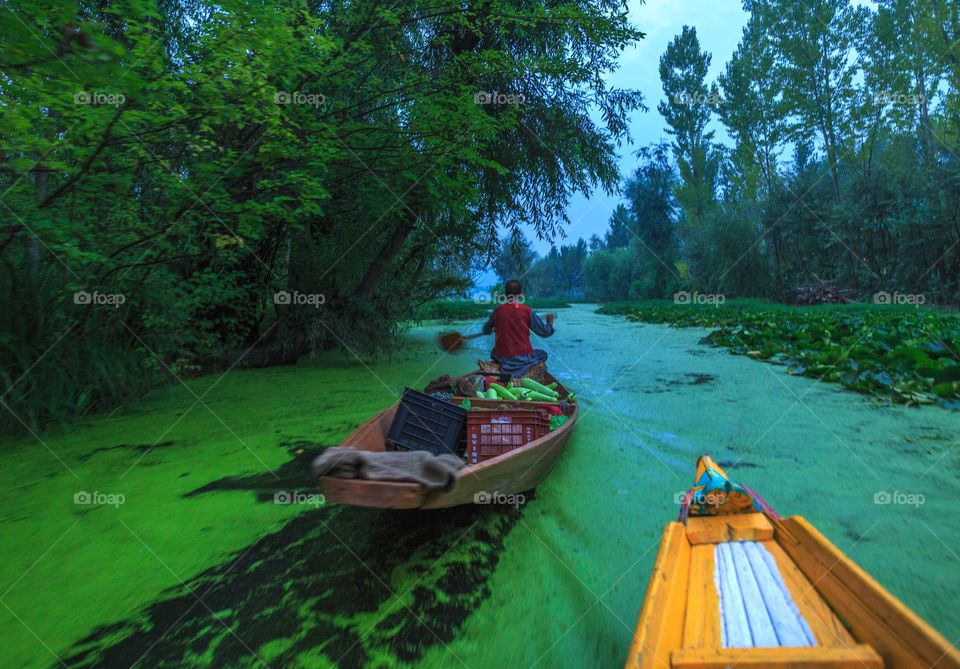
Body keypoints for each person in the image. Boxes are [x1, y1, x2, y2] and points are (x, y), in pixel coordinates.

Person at [481, 279, 556, 377]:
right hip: (523, 357)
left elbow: (485, 330)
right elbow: (544, 332)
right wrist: (550, 323)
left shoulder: (497, 311)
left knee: (494, 353)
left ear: (506, 294)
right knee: (543, 354)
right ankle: (522, 369)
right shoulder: (527, 311)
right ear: (520, 294)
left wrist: (493, 328)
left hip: (501, 357)